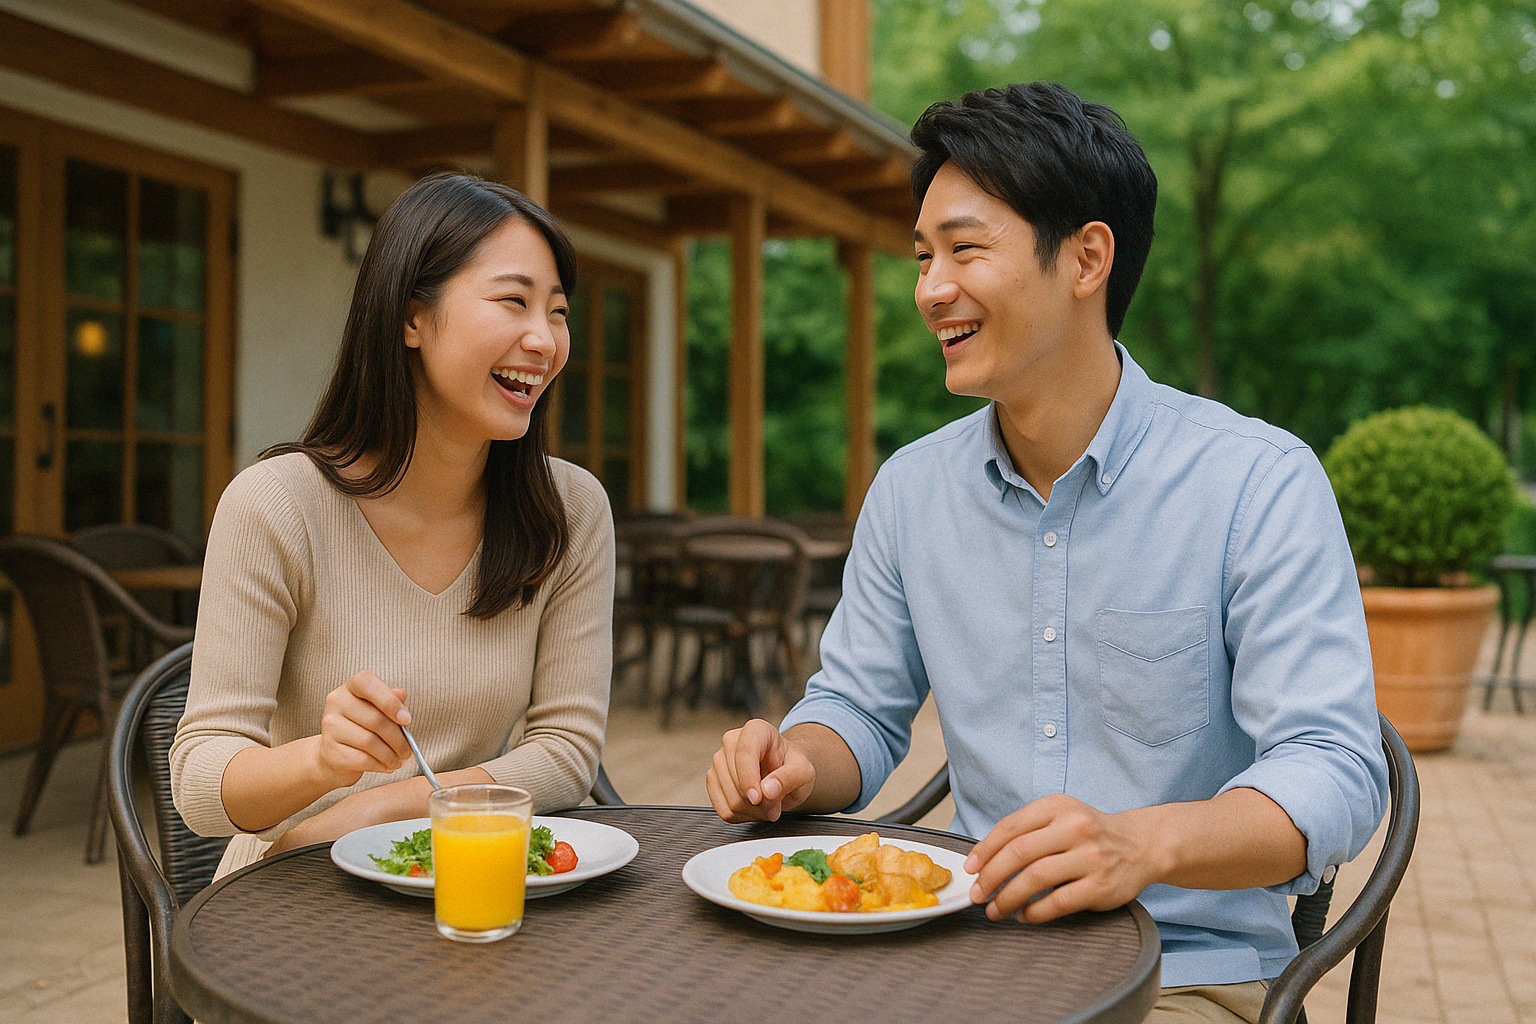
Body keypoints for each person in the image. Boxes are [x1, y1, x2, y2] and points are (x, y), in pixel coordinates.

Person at [706, 83, 1388, 1024]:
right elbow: (857, 710)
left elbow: (1334, 767)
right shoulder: (912, 489)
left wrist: (1142, 845)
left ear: (1087, 259)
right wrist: (793, 762)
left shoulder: (1256, 483)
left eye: (965, 249)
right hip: (958, 955)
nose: (929, 288)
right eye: (923, 256)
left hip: (1188, 977)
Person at [172, 172, 613, 876]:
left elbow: (566, 751)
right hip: (295, 889)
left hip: (473, 876)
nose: (544, 339)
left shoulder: (570, 511)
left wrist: (379, 811)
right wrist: (322, 762)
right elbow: (200, 786)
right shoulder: (276, 505)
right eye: (513, 301)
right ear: (412, 318)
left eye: (557, 312)